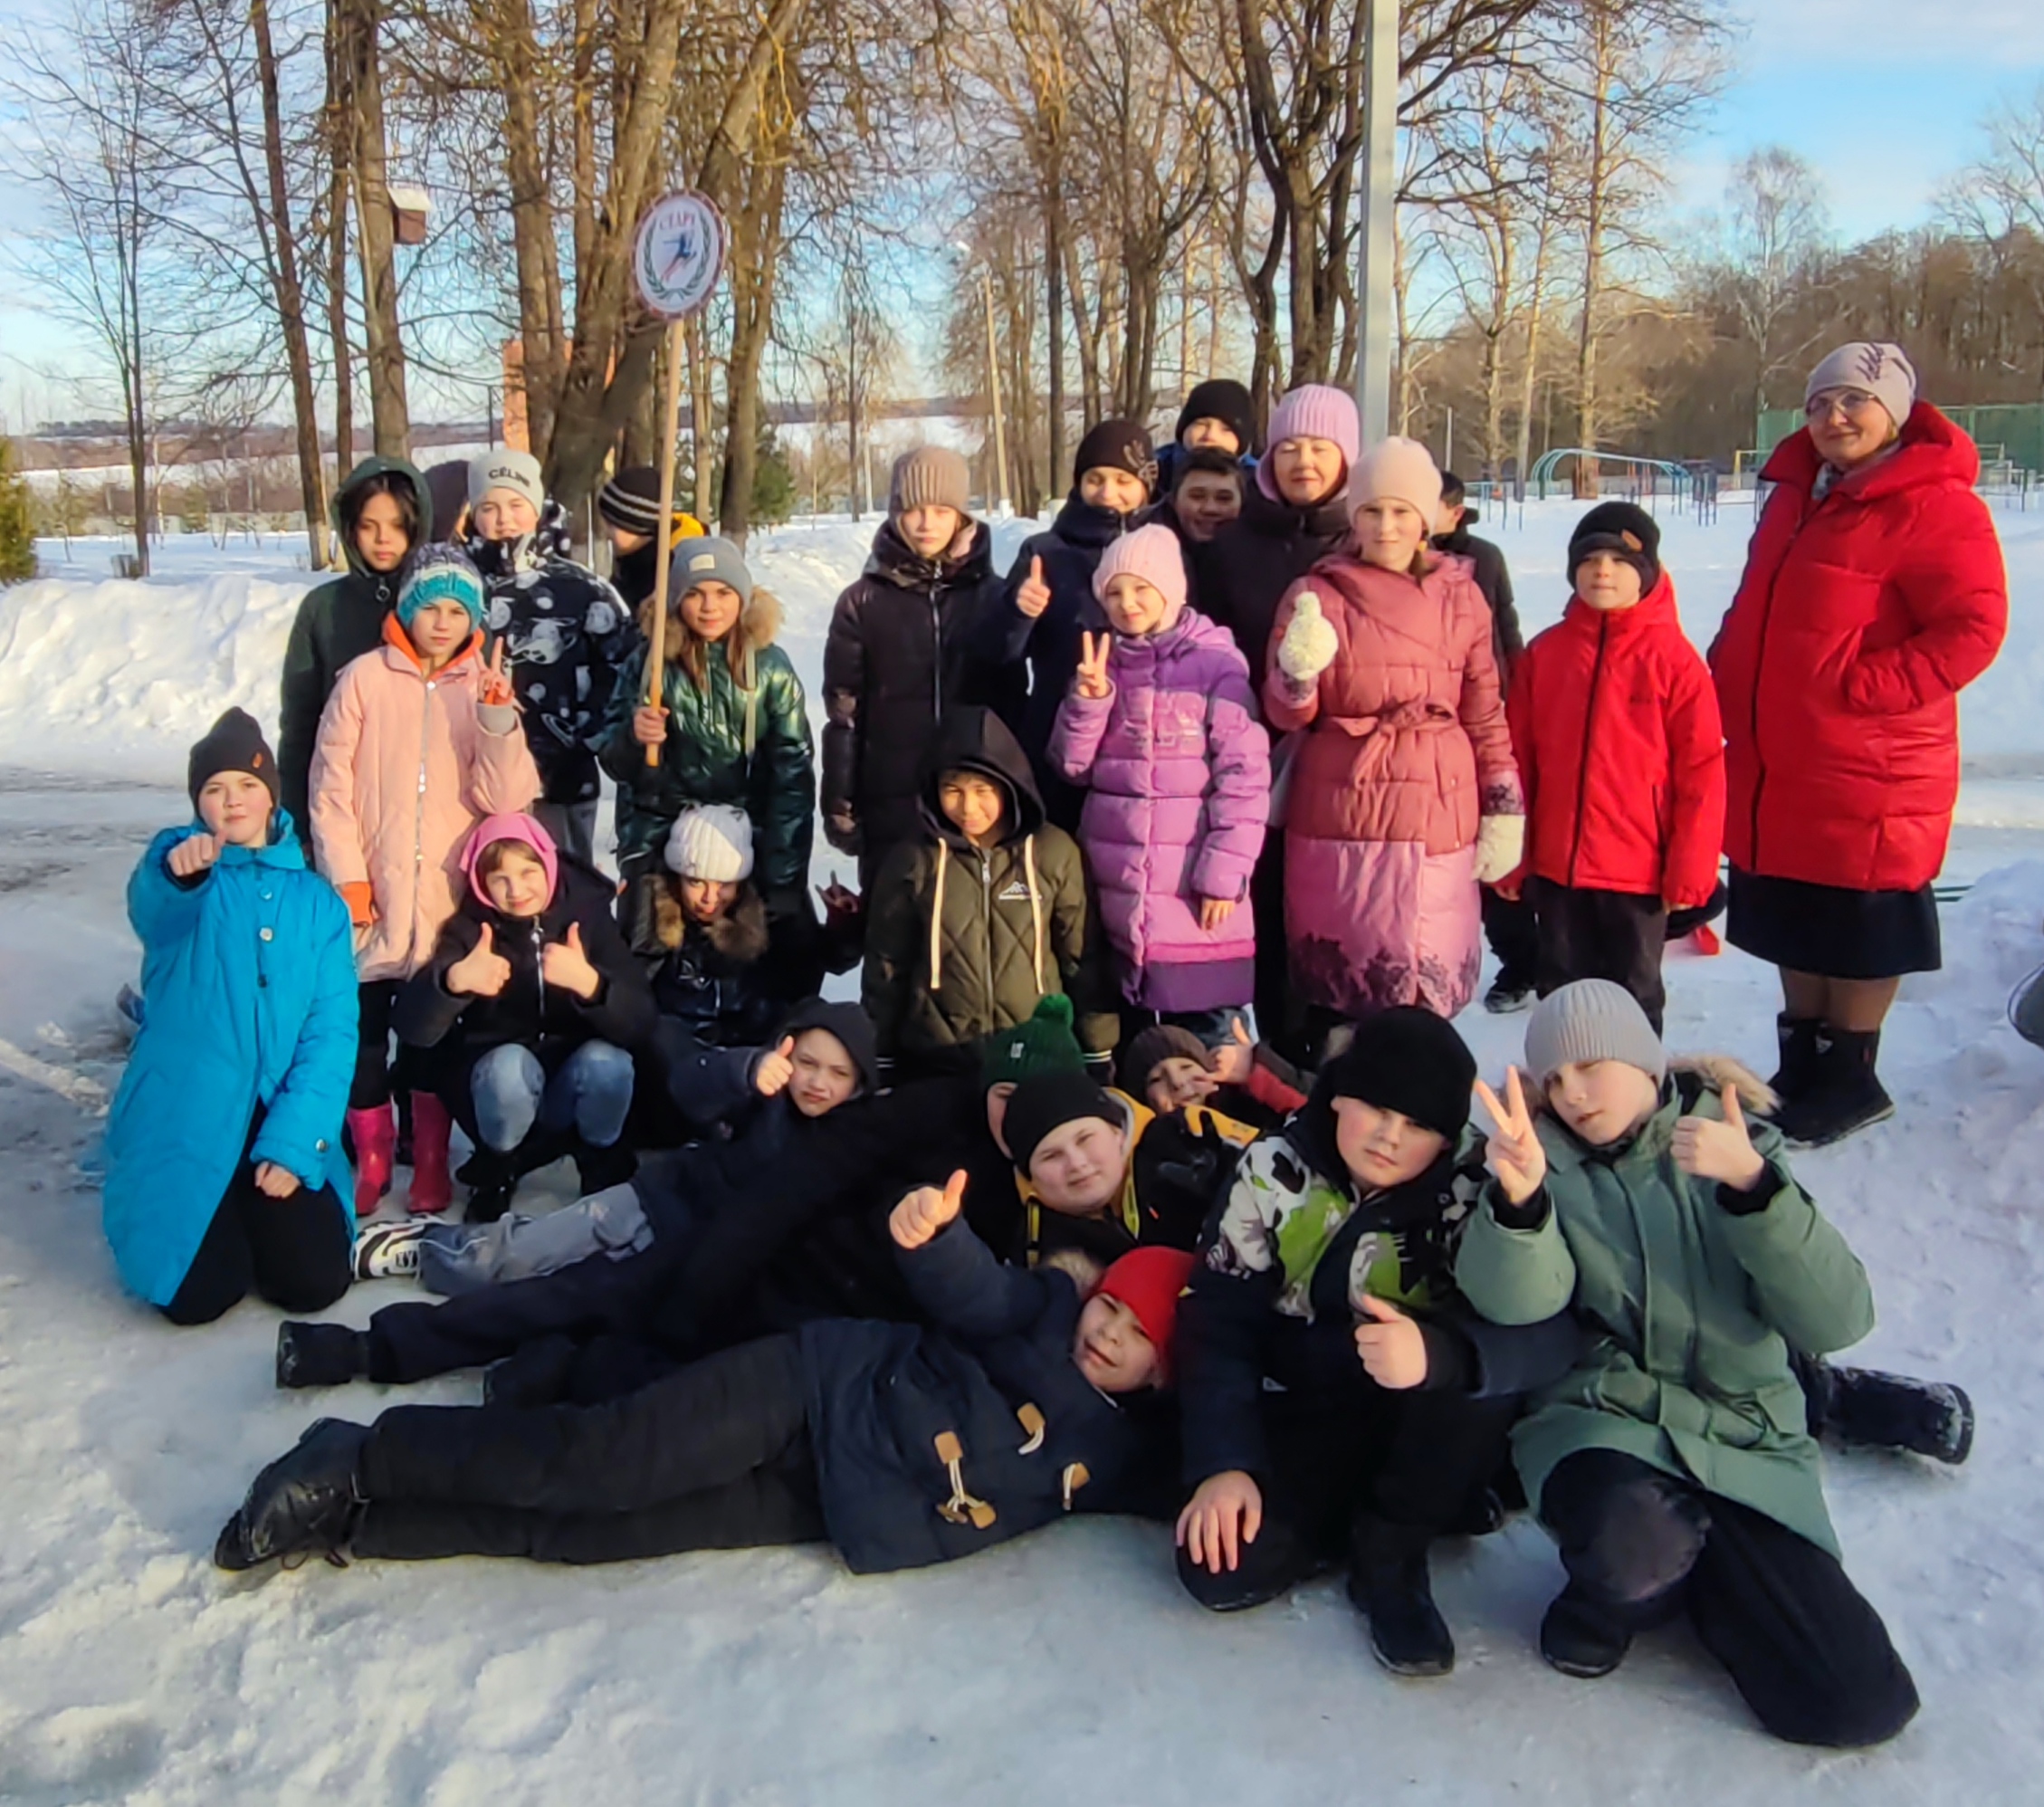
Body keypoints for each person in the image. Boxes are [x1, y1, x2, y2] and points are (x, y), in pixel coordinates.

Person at [214, 1190, 1189, 1575]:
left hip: (836, 1498)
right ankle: (357, 1457)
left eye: (1138, 1335)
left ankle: (364, 1524)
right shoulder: (1038, 1315)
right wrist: (933, 1239)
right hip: (817, 1386)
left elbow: (1223, 1481)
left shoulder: (1121, 1451)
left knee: (594, 1533)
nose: (1108, 1332)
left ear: (1162, 1372)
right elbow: (970, 1291)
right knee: (599, 1464)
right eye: (1113, 1306)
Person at [1457, 980, 1920, 1747]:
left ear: (1643, 1061)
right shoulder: (1542, 1164)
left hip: (1745, 1437)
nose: (1573, 1093)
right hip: (1608, 1423)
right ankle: (1613, 1596)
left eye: (1592, 1065)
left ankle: (1692, 1573)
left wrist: (1754, 1189)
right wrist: (1518, 1205)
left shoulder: (1734, 1147)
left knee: (1857, 1702)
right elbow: (1519, 1305)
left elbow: (1838, 1318)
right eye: (1556, 1077)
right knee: (1632, 1542)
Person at [1174, 1009, 1575, 1675]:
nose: (1391, 1138)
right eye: (1378, 1110)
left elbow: (1542, 1327)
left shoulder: (1475, 1185)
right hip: (1309, 1400)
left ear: (1445, 1142)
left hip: (1423, 1412)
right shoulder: (1273, 1168)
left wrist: (1439, 1352)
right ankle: (1371, 1514)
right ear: (1337, 1096)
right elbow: (1217, 1317)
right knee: (1218, 1567)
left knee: (1474, 1381)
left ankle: (1392, 1551)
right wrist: (1225, 1462)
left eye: (1419, 1126)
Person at [1710, 342, 2008, 1145]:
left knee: (1857, 916)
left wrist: (1865, 689)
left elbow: (1974, 628)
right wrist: (1729, 663)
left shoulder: (1935, 503)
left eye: (1855, 401)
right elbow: (1761, 601)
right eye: (1820, 403)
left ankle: (1851, 1077)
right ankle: (1800, 1060)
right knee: (1788, 904)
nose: (1834, 417)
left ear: (1896, 413)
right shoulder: (1793, 496)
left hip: (1871, 757)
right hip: (1780, 750)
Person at [310, 543, 542, 1217]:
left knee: (433, 1038)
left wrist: (499, 722)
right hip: (373, 899)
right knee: (363, 1036)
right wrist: (349, 880)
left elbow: (506, 803)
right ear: (406, 611)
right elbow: (330, 788)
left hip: (444, 904)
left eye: (455, 610)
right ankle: (376, 1155)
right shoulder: (362, 680)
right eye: (429, 608)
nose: (441, 623)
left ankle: (434, 1156)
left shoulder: (482, 688)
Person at [101, 710, 356, 1325]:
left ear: (271, 796)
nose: (232, 800)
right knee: (192, 1296)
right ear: (199, 805)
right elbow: (154, 908)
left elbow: (331, 1033)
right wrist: (176, 875)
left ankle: (258, 1189)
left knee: (313, 1284)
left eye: (245, 785)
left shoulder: (318, 903)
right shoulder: (184, 877)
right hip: (187, 1108)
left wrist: (297, 1145)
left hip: (279, 1106)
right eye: (214, 789)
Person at [1263, 437, 1523, 1033]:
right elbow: (1285, 714)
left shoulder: (1464, 598)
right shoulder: (1315, 594)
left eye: (1401, 511)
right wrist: (1297, 673)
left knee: (1422, 989)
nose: (1386, 526)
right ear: (1354, 515)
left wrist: (1503, 805)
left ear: (1426, 517)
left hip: (1436, 803)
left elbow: (1485, 712)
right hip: (1341, 804)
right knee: (1344, 990)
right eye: (1373, 510)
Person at [365, 999, 879, 1296]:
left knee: (558, 1283)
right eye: (808, 1063)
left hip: (684, 1255)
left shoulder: (853, 1141)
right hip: (655, 1201)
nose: (817, 1082)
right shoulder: (764, 1096)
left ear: (858, 1083)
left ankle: (476, 1243)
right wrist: (748, 1069)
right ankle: (424, 1249)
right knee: (523, 1258)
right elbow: (691, 1088)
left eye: (837, 1073)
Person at [1504, 503, 1724, 1034]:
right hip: (1558, 871)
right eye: (1590, 559)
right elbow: (1516, 763)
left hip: (1638, 874)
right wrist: (1512, 855)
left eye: (1620, 560)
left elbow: (1702, 773)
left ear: (1647, 573)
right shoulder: (1545, 655)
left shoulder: (1675, 661)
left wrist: (1690, 869)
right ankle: (1565, 1094)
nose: (1603, 570)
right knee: (1562, 994)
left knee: (1633, 996)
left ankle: (1635, 1098)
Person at [1049, 521, 1268, 1035]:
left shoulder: (1217, 665)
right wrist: (1088, 701)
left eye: (1141, 589)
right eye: (1115, 592)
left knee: (1207, 1039)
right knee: (1135, 1049)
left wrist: (1221, 877)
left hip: (1194, 898)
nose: (1128, 603)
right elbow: (1072, 767)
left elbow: (1244, 778)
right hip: (1119, 892)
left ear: (1170, 590)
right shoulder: (1103, 664)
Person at [1191, 384, 1360, 1042]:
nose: (1304, 462)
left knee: (1343, 927)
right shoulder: (1231, 548)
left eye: (1320, 448)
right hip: (1257, 767)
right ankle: (1279, 1064)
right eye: (1290, 447)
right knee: (1268, 922)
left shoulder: (1368, 541)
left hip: (1351, 773)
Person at [391, 812, 655, 1226]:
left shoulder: (588, 918)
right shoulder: (472, 931)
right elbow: (411, 1028)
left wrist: (592, 985)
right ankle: (498, 1169)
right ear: (481, 883)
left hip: (572, 1089)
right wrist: (455, 981)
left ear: (548, 865)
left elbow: (642, 1021)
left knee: (609, 1063)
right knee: (507, 1066)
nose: (517, 891)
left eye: (528, 872)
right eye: (500, 879)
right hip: (501, 1099)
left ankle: (600, 1160)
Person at [864, 705, 1116, 1080]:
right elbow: (887, 965)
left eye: (983, 790)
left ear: (1009, 785)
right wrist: (879, 1054)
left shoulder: (1051, 852)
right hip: (938, 1056)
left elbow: (1082, 957)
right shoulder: (913, 860)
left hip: (1036, 1053)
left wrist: (1097, 1049)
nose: (968, 807)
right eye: (953, 789)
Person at [600, 535, 816, 959]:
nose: (709, 606)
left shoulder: (770, 670)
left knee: (772, 960)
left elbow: (792, 775)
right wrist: (634, 739)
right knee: (650, 958)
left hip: (745, 834)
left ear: (743, 597)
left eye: (723, 593)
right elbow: (613, 760)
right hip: (662, 835)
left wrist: (783, 874)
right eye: (695, 594)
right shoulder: (648, 665)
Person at [822, 447, 1004, 884]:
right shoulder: (861, 602)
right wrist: (841, 804)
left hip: (975, 803)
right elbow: (845, 713)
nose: (927, 523)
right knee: (893, 932)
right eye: (913, 510)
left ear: (960, 515)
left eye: (941, 510)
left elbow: (1011, 702)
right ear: (894, 514)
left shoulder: (993, 596)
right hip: (891, 803)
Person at [462, 449, 638, 867]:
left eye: (515, 505)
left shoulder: (581, 589)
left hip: (562, 777)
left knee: (565, 885)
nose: (503, 518)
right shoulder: (457, 585)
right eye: (489, 506)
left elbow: (621, 671)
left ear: (537, 509)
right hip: (473, 778)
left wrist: (585, 735)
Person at [979, 418, 1157, 827]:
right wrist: (1019, 612)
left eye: (1122, 480)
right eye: (1095, 478)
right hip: (1057, 736)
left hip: (1142, 740)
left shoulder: (1163, 551)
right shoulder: (1046, 552)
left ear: (1145, 486)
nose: (1107, 492)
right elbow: (998, 653)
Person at [644, 805, 831, 1137]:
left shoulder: (768, 918)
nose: (709, 898)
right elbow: (635, 995)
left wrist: (842, 931)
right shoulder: (654, 918)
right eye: (696, 882)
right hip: (679, 1063)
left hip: (753, 1055)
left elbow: (808, 978)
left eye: (724, 885)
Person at [279, 457, 431, 854]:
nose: (384, 540)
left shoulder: (444, 603)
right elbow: (299, 727)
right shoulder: (322, 609)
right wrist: (297, 825)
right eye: (369, 526)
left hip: (428, 814)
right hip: (343, 811)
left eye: (397, 526)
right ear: (350, 528)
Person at [1431, 470, 1533, 1013]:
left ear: (1455, 510)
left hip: (1482, 710)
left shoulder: (1483, 558)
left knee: (1496, 846)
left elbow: (1504, 630)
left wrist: (1511, 695)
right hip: (1430, 720)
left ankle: (1521, 959)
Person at [998, 1068, 1261, 1270]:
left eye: (1085, 1139)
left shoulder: (1188, 1135)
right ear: (1030, 1176)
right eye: (1051, 1156)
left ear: (1117, 1133)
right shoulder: (1034, 1245)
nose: (1076, 1163)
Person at [1117, 1020, 1305, 1130]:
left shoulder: (1249, 1108)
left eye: (1186, 1067)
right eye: (1156, 1079)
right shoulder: (1147, 1154)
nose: (1178, 1083)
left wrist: (1256, 1067)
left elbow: (1311, 1114)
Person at [594, 464, 708, 611]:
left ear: (637, 525)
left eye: (612, 525)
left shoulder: (662, 575)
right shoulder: (632, 564)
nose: (606, 533)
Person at [1152, 446, 1246, 550]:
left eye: (1223, 498)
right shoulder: (1142, 547)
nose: (1210, 509)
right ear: (1173, 501)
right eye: (1197, 496)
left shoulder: (1260, 553)